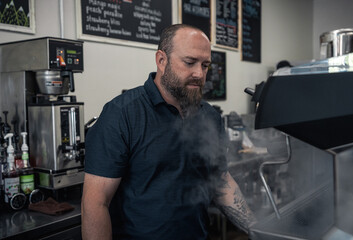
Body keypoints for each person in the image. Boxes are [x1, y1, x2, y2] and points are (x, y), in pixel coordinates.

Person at [81, 24, 255, 240]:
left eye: (205, 65)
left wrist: (259, 230)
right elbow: (96, 203)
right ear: (161, 60)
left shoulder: (209, 116)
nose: (199, 74)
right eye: (190, 62)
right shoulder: (122, 114)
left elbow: (220, 181)